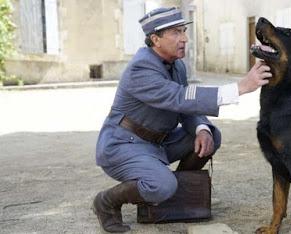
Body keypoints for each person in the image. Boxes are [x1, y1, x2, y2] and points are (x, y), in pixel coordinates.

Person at [92, 7, 272, 233]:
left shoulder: (176, 65)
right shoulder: (141, 68)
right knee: (162, 184)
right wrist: (241, 87)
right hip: (123, 146)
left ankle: (170, 195)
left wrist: (201, 128)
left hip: (156, 143)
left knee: (210, 136)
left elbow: (185, 106)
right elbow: (178, 97)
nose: (185, 38)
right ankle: (107, 202)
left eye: (184, 31)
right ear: (155, 39)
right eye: (176, 32)